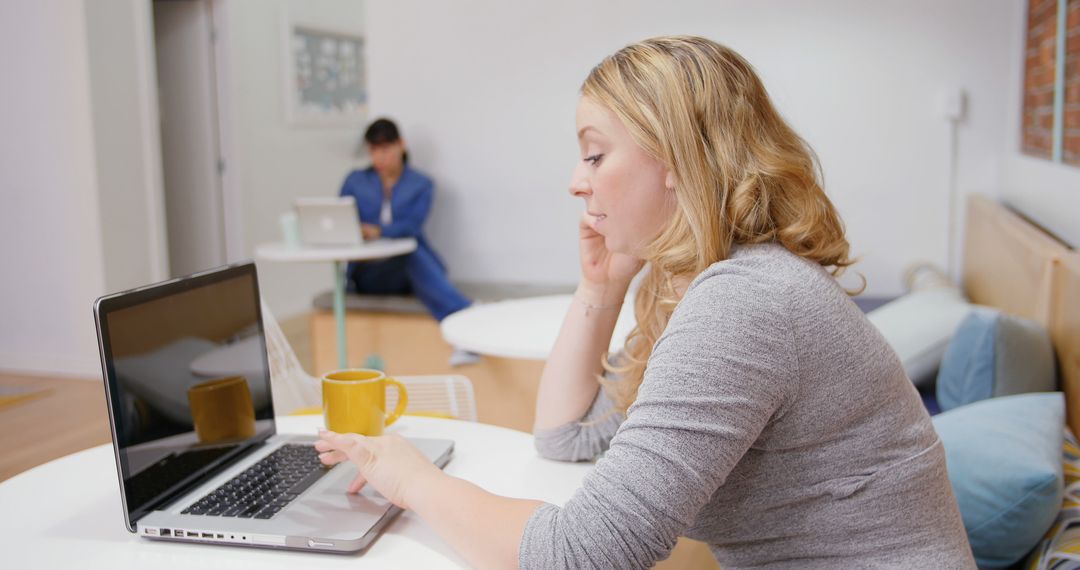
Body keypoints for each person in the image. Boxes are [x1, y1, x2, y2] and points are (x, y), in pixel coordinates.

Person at [315, 36, 976, 569]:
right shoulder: (714, 283)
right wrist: (602, 287)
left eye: (595, 155)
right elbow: (565, 435)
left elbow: (581, 554)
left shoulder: (743, 302)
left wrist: (406, 477)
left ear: (676, 159)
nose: (576, 182)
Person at [340, 119, 477, 366]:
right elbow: (339, 219)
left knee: (409, 252)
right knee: (411, 254)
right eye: (373, 151)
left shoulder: (421, 184)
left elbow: (411, 226)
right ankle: (466, 319)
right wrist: (358, 231)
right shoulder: (355, 181)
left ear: (401, 145)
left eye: (385, 149)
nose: (378, 158)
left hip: (404, 272)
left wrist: (377, 230)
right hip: (368, 273)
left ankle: (465, 326)